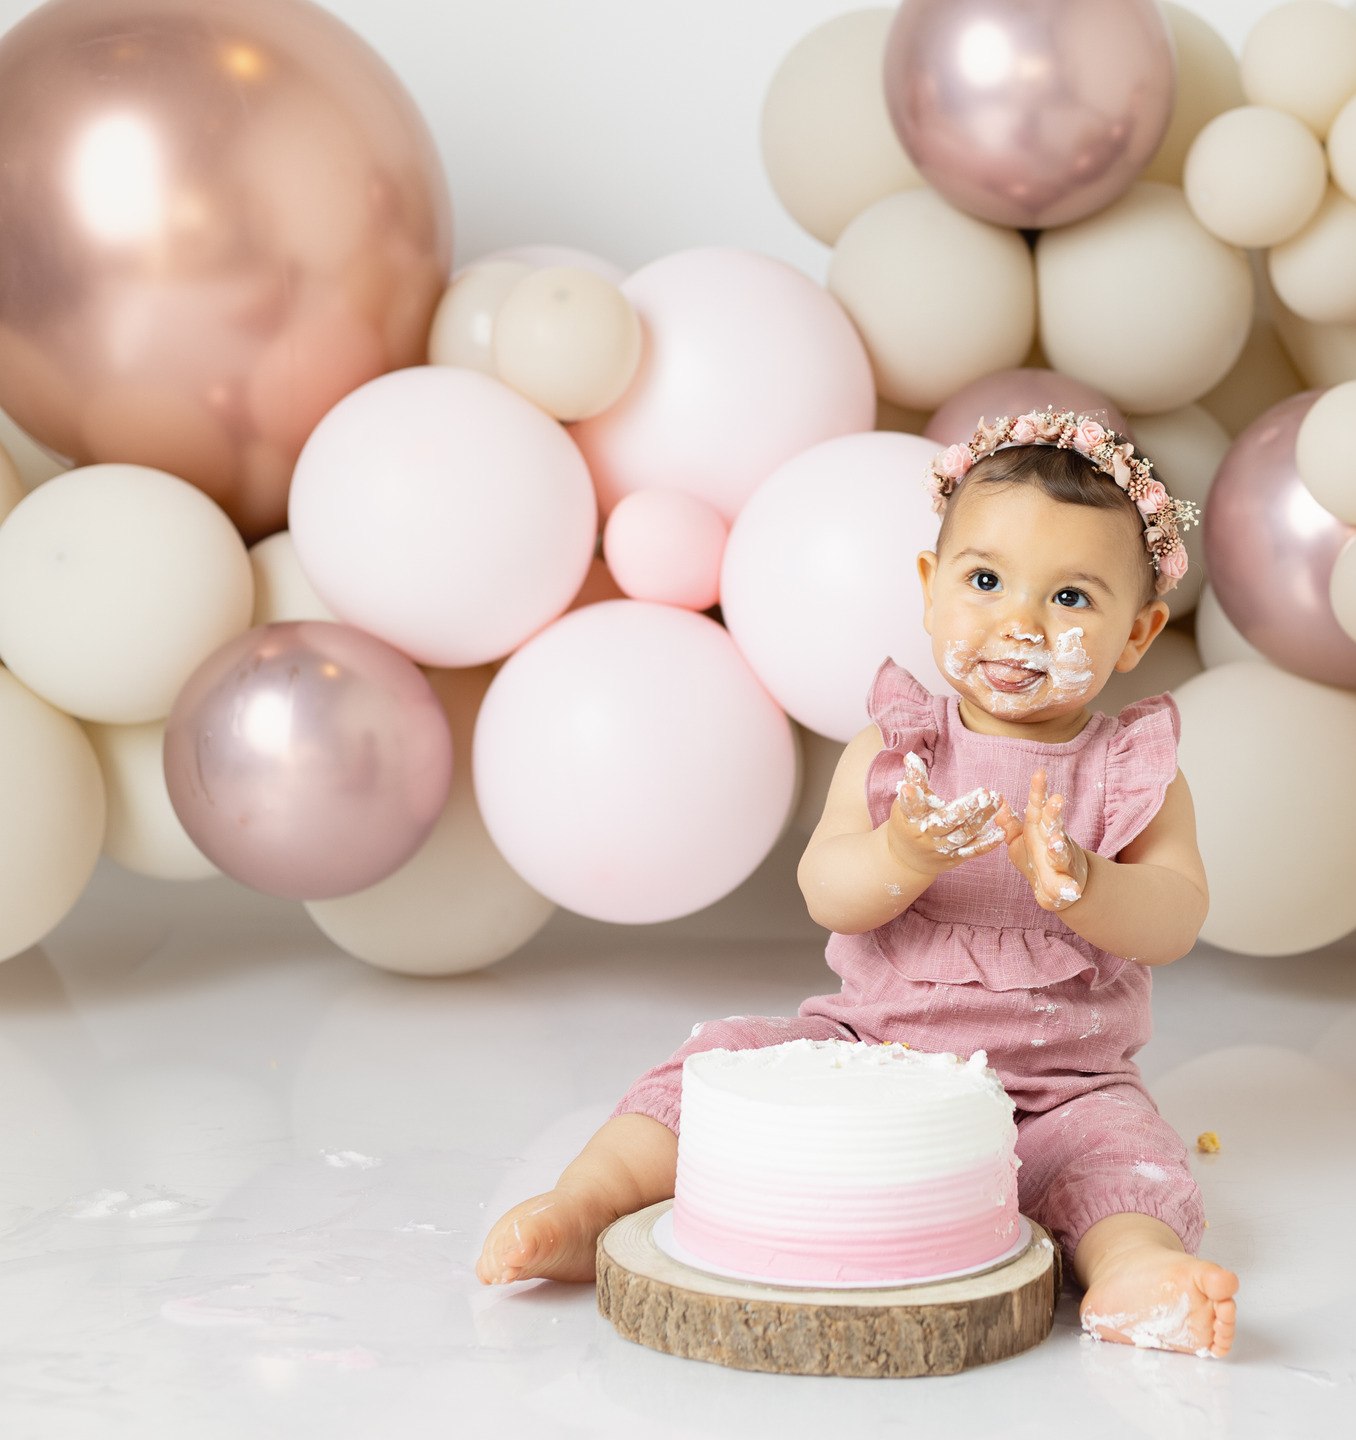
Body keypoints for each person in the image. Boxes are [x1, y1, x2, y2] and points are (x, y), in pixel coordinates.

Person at [476, 408, 1236, 1357]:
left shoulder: (1131, 773)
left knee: (1124, 1161)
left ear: (1138, 632)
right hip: (870, 1060)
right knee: (717, 1063)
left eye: (1073, 598)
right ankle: (587, 1203)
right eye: (987, 581)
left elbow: (1175, 917)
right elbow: (828, 890)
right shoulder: (899, 747)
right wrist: (902, 858)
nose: (1020, 623)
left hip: (1061, 1091)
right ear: (930, 590)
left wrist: (1088, 885)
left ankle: (1131, 1274)